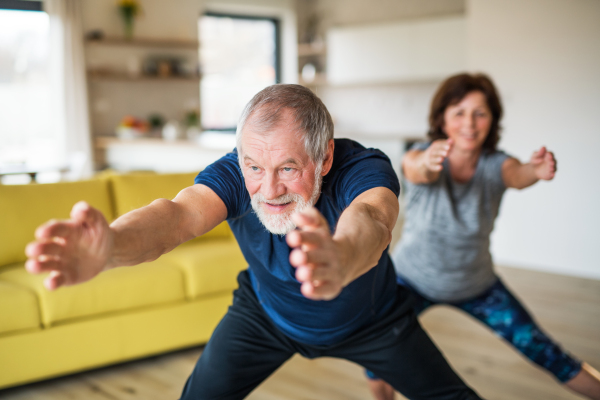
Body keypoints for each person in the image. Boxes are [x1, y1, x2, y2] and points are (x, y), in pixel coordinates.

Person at [25, 84, 483, 399]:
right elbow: (179, 215)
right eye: (254, 167)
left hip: (373, 320)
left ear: (323, 157)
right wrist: (112, 248)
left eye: (287, 168)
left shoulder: (361, 166)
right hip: (265, 316)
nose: (268, 189)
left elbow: (374, 218)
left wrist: (340, 258)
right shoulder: (233, 174)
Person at [366, 73, 600, 400]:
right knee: (377, 354)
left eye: (480, 113)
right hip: (411, 280)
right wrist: (429, 162)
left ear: (492, 120)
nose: (470, 123)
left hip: (477, 285)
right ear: (442, 119)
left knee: (545, 351)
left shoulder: (496, 165)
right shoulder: (422, 154)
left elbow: (518, 174)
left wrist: (537, 171)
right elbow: (417, 168)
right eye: (459, 112)